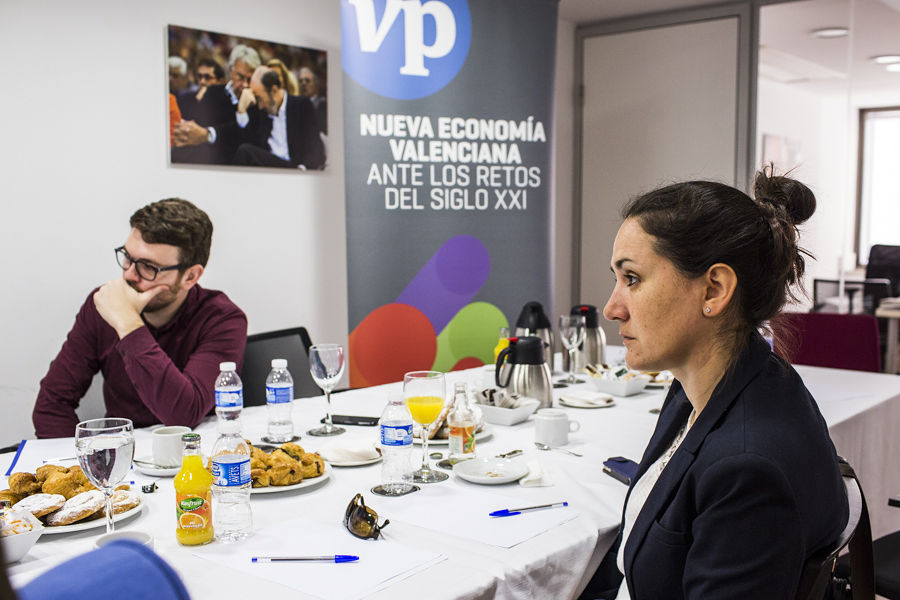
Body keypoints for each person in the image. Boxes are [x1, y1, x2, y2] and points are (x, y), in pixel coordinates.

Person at [600, 168, 848, 599]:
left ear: (714, 289)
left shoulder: (747, 468)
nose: (611, 308)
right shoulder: (724, 382)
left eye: (632, 279)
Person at [32, 199, 247, 439]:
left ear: (190, 276)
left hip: (195, 454)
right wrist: (83, 464)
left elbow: (184, 414)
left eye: (148, 267)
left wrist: (128, 323)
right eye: (127, 257)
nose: (128, 274)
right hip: (124, 452)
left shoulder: (223, 318)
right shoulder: (104, 304)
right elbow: (51, 404)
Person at [172, 45, 261, 165]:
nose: (245, 84)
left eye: (249, 79)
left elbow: (246, 141)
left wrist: (242, 111)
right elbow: (197, 130)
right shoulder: (213, 92)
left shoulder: (257, 102)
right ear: (231, 70)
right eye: (240, 77)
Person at [232, 66, 325, 170]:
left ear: (274, 90)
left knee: (245, 151)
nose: (259, 106)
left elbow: (316, 148)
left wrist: (302, 170)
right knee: (244, 150)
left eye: (260, 98)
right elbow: (246, 145)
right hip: (270, 169)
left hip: (295, 169)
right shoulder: (260, 112)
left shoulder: (301, 105)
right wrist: (241, 110)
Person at [298, 66, 327, 135]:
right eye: (301, 81)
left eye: (307, 80)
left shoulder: (324, 105)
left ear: (316, 84)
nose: (303, 84)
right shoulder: (295, 106)